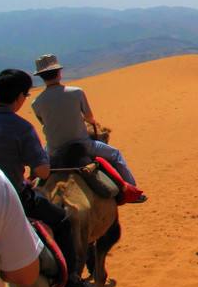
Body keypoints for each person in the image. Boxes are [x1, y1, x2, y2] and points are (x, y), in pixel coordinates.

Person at [0, 70, 89, 287]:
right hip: (13, 198)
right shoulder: (21, 127)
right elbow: (43, 171)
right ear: (18, 97)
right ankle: (70, 280)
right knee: (63, 220)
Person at [30, 55, 144, 201]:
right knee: (116, 155)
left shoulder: (36, 103)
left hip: (54, 150)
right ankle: (132, 192)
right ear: (59, 73)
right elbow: (90, 118)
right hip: (83, 144)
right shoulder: (76, 92)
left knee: (38, 170)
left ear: (41, 77)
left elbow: (44, 124)